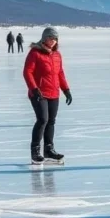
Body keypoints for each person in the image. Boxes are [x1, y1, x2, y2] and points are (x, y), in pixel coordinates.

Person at [23, 28, 72, 165]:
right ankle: (35, 151)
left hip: (53, 93)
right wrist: (34, 88)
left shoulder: (57, 55)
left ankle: (48, 150)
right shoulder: (35, 53)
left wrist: (66, 89)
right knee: (42, 120)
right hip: (39, 93)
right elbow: (27, 72)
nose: (53, 41)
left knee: (51, 121)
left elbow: (60, 73)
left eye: (55, 39)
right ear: (44, 38)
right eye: (51, 38)